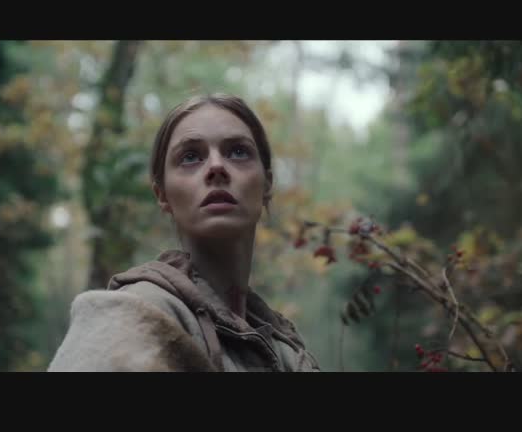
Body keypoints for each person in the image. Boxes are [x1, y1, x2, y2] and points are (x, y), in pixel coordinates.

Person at [48, 93, 321, 372]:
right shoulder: (130, 315)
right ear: (162, 194)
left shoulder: (288, 354)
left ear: (267, 184)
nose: (216, 167)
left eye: (238, 152)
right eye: (190, 157)